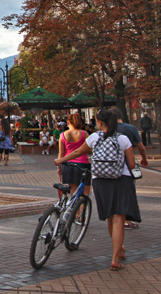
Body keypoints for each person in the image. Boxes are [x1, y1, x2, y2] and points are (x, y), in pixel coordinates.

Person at [54, 109, 140, 271]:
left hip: (100, 181)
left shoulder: (94, 137)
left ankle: (119, 249)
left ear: (100, 123)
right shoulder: (123, 139)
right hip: (121, 181)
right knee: (119, 219)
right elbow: (132, 164)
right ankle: (115, 257)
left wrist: (61, 160)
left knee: (110, 217)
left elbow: (78, 152)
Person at [112, 107, 148, 230]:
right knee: (127, 192)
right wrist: (144, 158)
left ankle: (114, 217)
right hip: (128, 163)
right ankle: (126, 219)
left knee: (113, 191)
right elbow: (141, 147)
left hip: (109, 165)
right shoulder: (130, 128)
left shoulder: (107, 129)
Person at [57, 113, 90, 196]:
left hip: (68, 164)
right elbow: (89, 148)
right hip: (83, 164)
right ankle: (82, 208)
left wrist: (59, 166)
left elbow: (61, 153)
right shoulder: (84, 134)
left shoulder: (63, 135)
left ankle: (74, 208)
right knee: (85, 191)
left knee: (73, 190)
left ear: (68, 123)